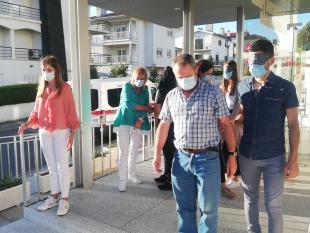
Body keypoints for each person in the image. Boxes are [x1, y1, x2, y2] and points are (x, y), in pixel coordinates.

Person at [153, 54, 237, 233]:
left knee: (208, 211)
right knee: (184, 209)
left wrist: (232, 155)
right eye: (179, 77)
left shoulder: (213, 93)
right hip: (181, 160)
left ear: (195, 71)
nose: (183, 80)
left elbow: (227, 125)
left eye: (187, 76)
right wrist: (156, 153)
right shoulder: (172, 96)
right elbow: (163, 125)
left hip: (207, 159)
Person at [236, 39, 300, 233]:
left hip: (274, 157)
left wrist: (293, 160)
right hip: (247, 156)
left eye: (257, 62)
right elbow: (238, 117)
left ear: (270, 60)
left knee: (273, 206)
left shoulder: (285, 88)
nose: (252, 66)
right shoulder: (243, 86)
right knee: (250, 200)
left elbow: (294, 125)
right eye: (249, 62)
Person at [18, 55, 80, 216]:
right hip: (44, 131)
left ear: (56, 70)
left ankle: (65, 199)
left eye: (49, 70)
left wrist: (72, 134)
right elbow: (36, 112)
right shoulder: (41, 89)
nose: (46, 72)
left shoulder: (65, 88)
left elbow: (71, 112)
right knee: (52, 167)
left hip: (61, 132)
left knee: (62, 167)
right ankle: (54, 195)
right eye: (44, 70)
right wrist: (26, 124)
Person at [114, 67, 153, 192]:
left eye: (142, 78)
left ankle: (132, 174)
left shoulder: (145, 90)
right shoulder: (127, 87)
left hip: (138, 122)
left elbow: (147, 105)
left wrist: (140, 119)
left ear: (145, 79)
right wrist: (145, 108)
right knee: (123, 152)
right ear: (133, 78)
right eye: (138, 78)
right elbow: (128, 104)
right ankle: (122, 180)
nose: (140, 80)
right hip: (124, 121)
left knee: (134, 150)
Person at [154, 66, 177, 191]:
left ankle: (169, 179)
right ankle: (167, 175)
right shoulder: (176, 86)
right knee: (171, 152)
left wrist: (157, 123)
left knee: (167, 151)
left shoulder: (162, 86)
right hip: (175, 123)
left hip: (164, 122)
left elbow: (157, 108)